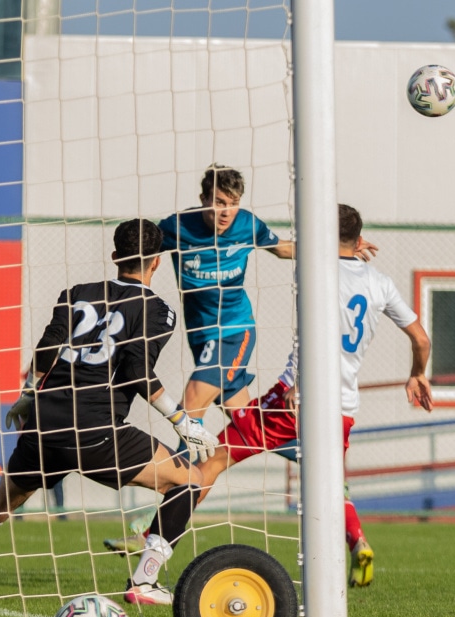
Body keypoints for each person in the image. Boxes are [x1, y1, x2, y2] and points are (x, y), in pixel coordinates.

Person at [109, 204, 433, 589]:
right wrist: (417, 374)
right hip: (344, 407)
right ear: (358, 238)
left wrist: (298, 386)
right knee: (326, 478)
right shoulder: (381, 283)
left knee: (213, 458)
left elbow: (307, 294)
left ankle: (150, 545)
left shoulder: (314, 270)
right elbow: (421, 339)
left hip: (293, 399)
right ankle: (358, 539)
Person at [0, 218, 217, 607]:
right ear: (157, 263)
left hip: (44, 424)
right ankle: (145, 580)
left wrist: (27, 395)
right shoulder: (158, 311)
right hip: (95, 430)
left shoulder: (77, 293)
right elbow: (138, 372)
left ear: (115, 255)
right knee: (191, 479)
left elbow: (46, 348)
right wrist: (182, 421)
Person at [158, 165, 378, 429]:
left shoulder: (247, 225)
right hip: (200, 334)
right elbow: (142, 252)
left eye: (234, 203)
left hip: (234, 330)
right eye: (219, 202)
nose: (227, 212)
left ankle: (183, 470)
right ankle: (312, 453)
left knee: (192, 403)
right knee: (248, 427)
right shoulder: (177, 227)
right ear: (203, 198)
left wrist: (336, 247)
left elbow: (283, 249)